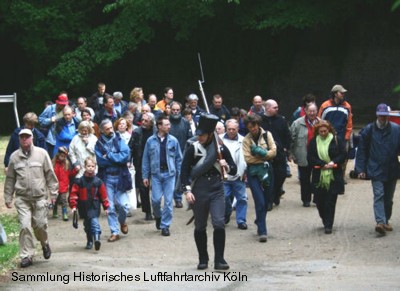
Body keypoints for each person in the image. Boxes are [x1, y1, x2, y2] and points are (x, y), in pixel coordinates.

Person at [181, 113, 237, 270]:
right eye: (198, 135)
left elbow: (234, 169)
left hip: (216, 189)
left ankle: (219, 259)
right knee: (200, 226)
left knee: (219, 223)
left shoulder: (220, 148)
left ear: (210, 134)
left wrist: (226, 165)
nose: (200, 138)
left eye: (203, 135)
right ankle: (203, 259)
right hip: (198, 190)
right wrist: (187, 191)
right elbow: (184, 172)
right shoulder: (193, 148)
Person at [4, 129, 59, 268]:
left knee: (40, 225)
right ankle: (26, 255)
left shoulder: (42, 154)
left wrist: (53, 194)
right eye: (22, 137)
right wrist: (8, 197)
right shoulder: (14, 157)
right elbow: (10, 178)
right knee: (24, 226)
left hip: (40, 197)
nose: (24, 139)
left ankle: (44, 243)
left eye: (27, 137)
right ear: (19, 139)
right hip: (22, 198)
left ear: (32, 138)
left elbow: (50, 175)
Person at [355, 103, 400, 235]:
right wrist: (360, 169)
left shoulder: (397, 129)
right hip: (375, 167)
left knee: (389, 198)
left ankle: (385, 220)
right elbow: (362, 150)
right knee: (379, 195)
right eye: (381, 115)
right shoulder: (369, 130)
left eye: (385, 115)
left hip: (391, 167)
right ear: (377, 115)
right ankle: (380, 221)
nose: (383, 118)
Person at [142, 116, 182, 236]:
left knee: (169, 202)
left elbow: (179, 159)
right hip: (156, 175)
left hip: (170, 175)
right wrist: (145, 176)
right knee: (155, 200)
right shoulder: (150, 141)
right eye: (166, 125)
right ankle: (158, 216)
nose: (169, 126)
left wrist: (180, 175)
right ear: (159, 126)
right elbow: (146, 159)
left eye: (169, 124)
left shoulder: (173, 140)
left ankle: (165, 226)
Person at [95, 119, 132, 242]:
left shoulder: (119, 139)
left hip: (121, 176)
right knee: (109, 207)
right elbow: (101, 161)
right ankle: (114, 231)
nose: (111, 130)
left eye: (111, 128)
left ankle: (122, 221)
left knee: (124, 206)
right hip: (107, 178)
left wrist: (110, 156)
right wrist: (116, 158)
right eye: (107, 129)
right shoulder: (98, 144)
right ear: (101, 131)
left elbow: (125, 156)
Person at [308, 120, 346, 234]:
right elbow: (310, 157)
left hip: (333, 175)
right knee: (319, 201)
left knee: (330, 201)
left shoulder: (336, 140)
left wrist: (333, 162)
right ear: (317, 131)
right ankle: (325, 219)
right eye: (321, 131)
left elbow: (343, 154)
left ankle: (329, 224)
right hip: (319, 174)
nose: (323, 133)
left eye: (325, 131)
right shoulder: (313, 141)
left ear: (329, 130)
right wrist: (321, 164)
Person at [243, 114, 276, 242]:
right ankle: (262, 231)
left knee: (267, 202)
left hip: (267, 170)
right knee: (259, 201)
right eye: (250, 127)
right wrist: (264, 156)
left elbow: (274, 152)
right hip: (253, 173)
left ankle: (259, 220)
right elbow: (247, 158)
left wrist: (262, 154)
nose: (252, 129)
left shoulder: (267, 135)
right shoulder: (246, 140)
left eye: (254, 126)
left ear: (258, 125)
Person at [69, 157, 109, 251]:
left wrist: (106, 207)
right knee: (87, 225)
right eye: (88, 166)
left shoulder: (98, 182)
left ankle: (97, 239)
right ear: (85, 166)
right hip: (83, 207)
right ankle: (89, 240)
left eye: (92, 166)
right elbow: (73, 194)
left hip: (94, 206)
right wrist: (73, 206)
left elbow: (103, 195)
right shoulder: (79, 182)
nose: (90, 168)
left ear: (95, 167)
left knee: (95, 223)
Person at [318, 84, 353, 191]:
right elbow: (320, 120)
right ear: (335, 93)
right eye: (341, 92)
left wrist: (347, 136)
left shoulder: (347, 106)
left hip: (342, 136)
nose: (343, 94)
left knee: (343, 158)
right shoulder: (325, 105)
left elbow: (349, 123)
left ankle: (341, 177)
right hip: (327, 136)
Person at [261, 99, 291, 209]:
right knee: (268, 178)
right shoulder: (260, 120)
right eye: (275, 107)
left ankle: (277, 192)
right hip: (265, 153)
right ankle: (269, 200)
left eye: (277, 107)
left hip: (279, 153)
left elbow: (287, 135)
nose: (277, 109)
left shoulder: (281, 120)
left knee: (281, 175)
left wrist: (286, 148)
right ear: (267, 108)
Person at [289, 102, 321, 207]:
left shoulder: (322, 123)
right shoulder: (297, 123)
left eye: (314, 111)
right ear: (306, 111)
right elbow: (291, 139)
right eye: (310, 111)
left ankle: (317, 198)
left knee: (318, 178)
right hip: (303, 154)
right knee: (304, 179)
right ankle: (306, 199)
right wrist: (291, 153)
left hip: (318, 156)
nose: (312, 113)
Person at [221, 119, 248, 230]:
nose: (231, 131)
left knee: (242, 198)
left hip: (238, 175)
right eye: (229, 129)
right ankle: (226, 214)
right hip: (224, 176)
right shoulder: (219, 140)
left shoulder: (244, 140)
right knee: (224, 197)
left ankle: (241, 220)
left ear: (238, 129)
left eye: (234, 129)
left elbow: (246, 158)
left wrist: (244, 171)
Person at [128, 112, 156, 221]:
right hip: (140, 162)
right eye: (142, 120)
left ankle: (156, 209)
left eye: (146, 121)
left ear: (151, 122)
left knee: (156, 187)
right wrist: (128, 159)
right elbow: (130, 147)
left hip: (154, 162)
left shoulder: (156, 132)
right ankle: (147, 211)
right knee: (144, 188)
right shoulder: (136, 132)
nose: (143, 122)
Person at [169, 101, 193, 208]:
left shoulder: (185, 122)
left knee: (179, 175)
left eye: (177, 110)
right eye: (173, 110)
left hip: (181, 153)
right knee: (169, 176)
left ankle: (178, 198)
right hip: (168, 154)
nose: (175, 112)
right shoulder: (166, 122)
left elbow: (190, 139)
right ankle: (169, 198)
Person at [39, 94, 69, 158]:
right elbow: (40, 120)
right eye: (62, 104)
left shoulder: (66, 109)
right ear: (57, 103)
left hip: (62, 138)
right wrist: (50, 120)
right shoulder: (50, 108)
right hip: (50, 139)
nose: (63, 106)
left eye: (64, 104)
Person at [52, 146, 77, 221]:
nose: (62, 156)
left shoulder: (66, 164)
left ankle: (65, 213)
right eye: (61, 154)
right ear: (58, 154)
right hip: (55, 186)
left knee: (63, 200)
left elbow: (70, 174)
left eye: (64, 155)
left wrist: (76, 171)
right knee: (55, 200)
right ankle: (55, 210)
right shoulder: (53, 164)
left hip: (63, 186)